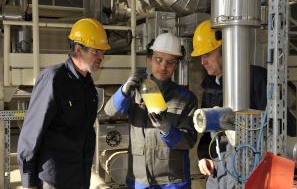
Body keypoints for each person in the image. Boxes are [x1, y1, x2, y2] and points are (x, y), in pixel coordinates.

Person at [17, 18, 111, 189]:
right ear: (78, 49)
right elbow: (31, 134)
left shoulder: (88, 86)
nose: (101, 57)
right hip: (54, 180)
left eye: (103, 52)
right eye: (96, 51)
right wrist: (29, 182)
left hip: (80, 178)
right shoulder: (53, 79)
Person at [104, 32, 198, 189]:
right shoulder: (134, 91)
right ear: (149, 59)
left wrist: (168, 130)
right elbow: (109, 112)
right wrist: (124, 91)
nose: (163, 66)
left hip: (173, 182)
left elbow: (189, 141)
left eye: (170, 62)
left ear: (176, 65)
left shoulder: (186, 98)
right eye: (158, 60)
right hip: (139, 180)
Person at [190, 20, 267, 189]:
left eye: (207, 54)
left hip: (250, 171)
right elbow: (206, 134)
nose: (202, 62)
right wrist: (204, 156)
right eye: (201, 57)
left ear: (224, 50)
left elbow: (277, 127)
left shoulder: (255, 78)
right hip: (219, 174)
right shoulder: (210, 85)